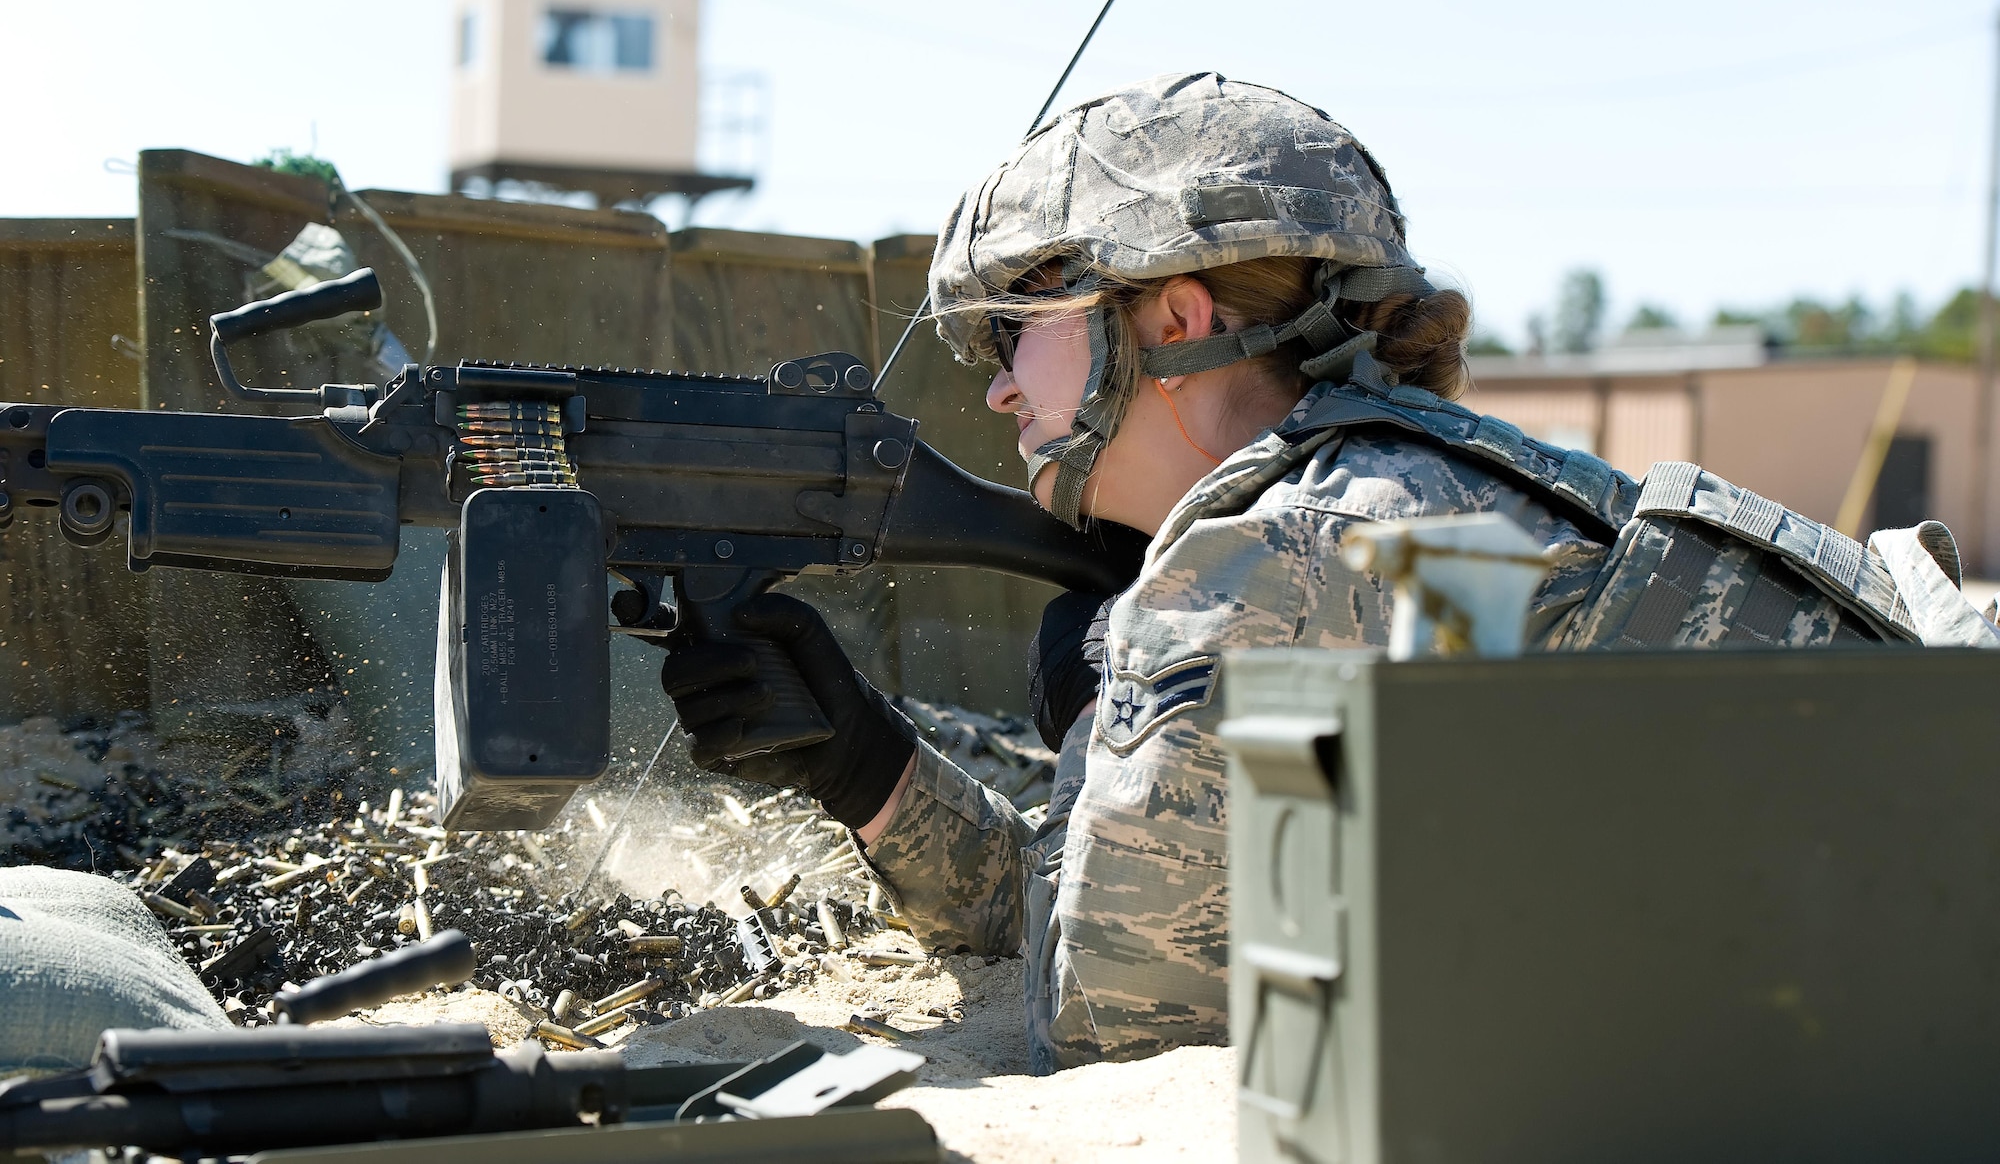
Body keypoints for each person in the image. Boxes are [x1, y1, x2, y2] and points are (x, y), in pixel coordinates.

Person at [661, 72, 1998, 1074]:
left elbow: (1101, 1014)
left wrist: (1091, 711)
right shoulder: (1413, 497)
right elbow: (1221, 928)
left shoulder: (1269, 554)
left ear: (1172, 318)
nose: (1002, 380)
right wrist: (872, 773)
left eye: (1022, 326)